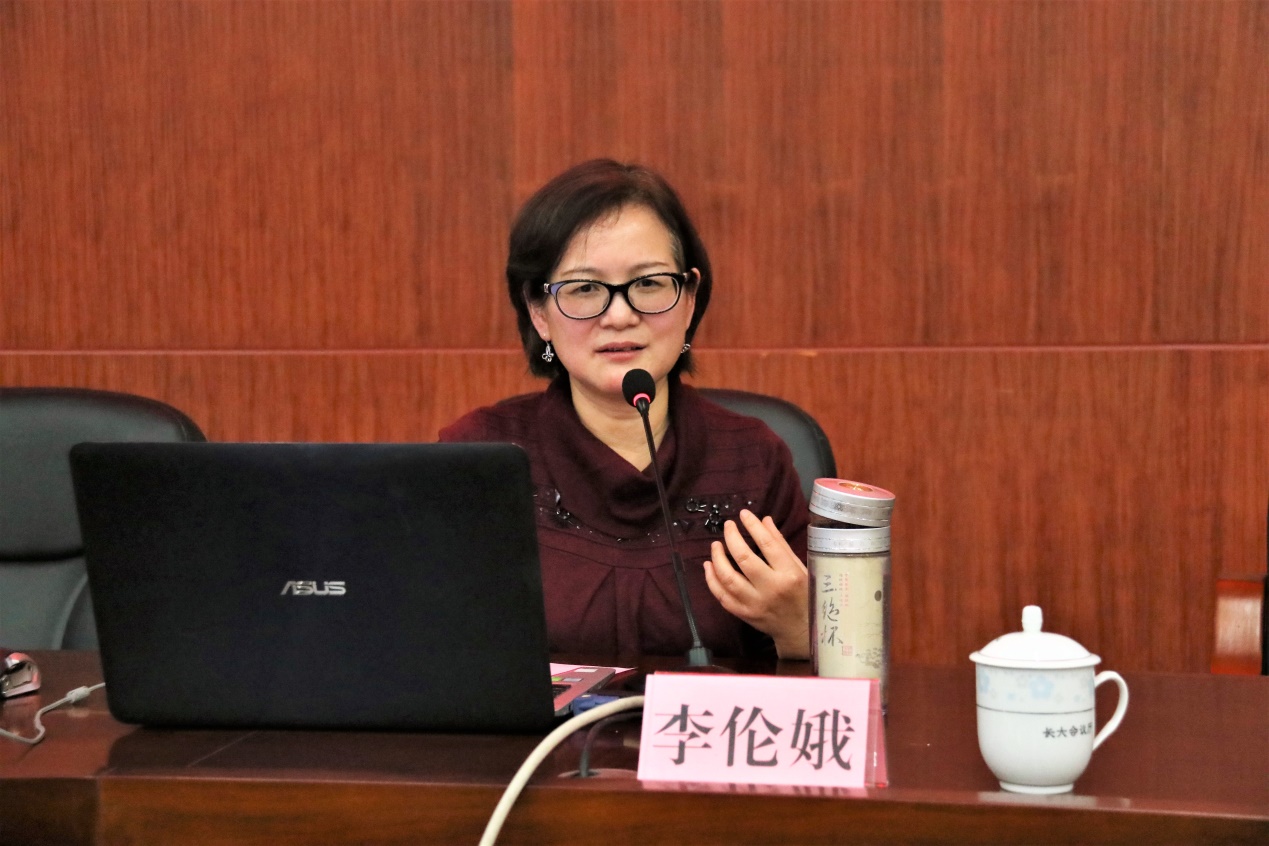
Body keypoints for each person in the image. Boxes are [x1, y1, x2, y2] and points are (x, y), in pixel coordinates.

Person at [439, 159, 810, 660]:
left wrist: (801, 630)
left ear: (689, 299)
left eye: (649, 284)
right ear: (539, 312)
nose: (619, 315)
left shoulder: (753, 460)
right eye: (585, 288)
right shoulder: (478, 457)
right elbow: (430, 652)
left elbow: (827, 678)